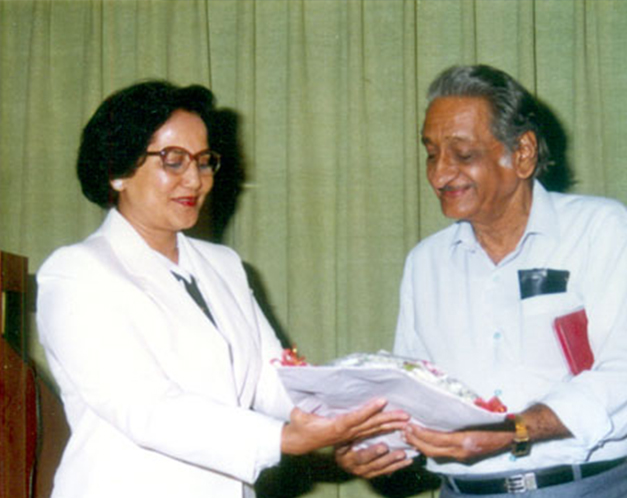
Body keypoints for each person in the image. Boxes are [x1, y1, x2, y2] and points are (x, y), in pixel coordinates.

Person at [36, 81, 408, 498]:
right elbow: (145, 408)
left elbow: (273, 381)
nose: (194, 180)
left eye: (203, 161)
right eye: (174, 161)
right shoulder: (77, 273)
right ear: (118, 171)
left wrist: (354, 429)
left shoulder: (224, 265)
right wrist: (283, 439)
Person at [336, 65, 627, 497]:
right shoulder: (425, 263)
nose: (439, 175)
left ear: (523, 153)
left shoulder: (599, 230)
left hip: (592, 487)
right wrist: (368, 445)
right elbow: (416, 396)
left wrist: (513, 431)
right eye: (431, 154)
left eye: (462, 155)